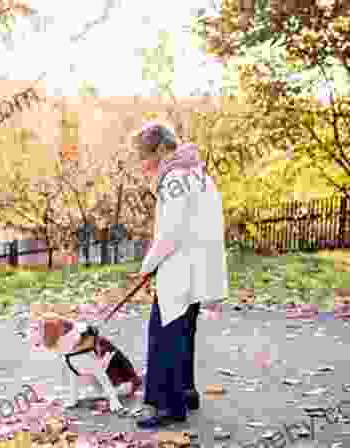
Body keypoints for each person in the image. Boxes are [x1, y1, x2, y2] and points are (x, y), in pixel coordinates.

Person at [130, 121, 228, 429]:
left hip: (179, 270)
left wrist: (147, 266)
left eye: (144, 156)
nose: (143, 164)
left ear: (160, 150)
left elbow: (171, 233)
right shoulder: (200, 175)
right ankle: (186, 392)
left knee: (164, 337)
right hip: (199, 271)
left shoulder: (174, 178)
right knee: (183, 334)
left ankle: (167, 405)